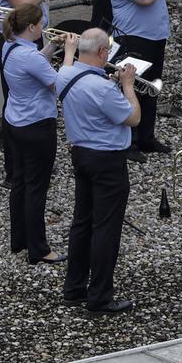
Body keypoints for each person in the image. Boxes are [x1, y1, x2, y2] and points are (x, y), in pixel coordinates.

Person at [57, 28, 139, 314]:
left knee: (82, 222)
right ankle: (100, 296)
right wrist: (127, 85)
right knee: (106, 228)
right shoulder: (102, 88)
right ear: (103, 53)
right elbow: (133, 117)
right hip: (107, 161)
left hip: (81, 155)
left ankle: (74, 288)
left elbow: (69, 67)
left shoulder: (65, 74)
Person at [0, 4, 75, 264]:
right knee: (36, 188)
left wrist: (52, 46)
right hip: (36, 126)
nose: (43, 27)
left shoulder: (11, 46)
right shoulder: (29, 57)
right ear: (31, 28)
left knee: (20, 182)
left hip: (15, 122)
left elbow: (34, 64)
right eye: (41, 24)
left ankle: (19, 240)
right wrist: (69, 53)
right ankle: (39, 249)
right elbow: (61, 83)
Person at [109, 0, 181, 159]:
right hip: (133, 38)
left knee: (151, 88)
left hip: (155, 36)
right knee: (130, 89)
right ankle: (127, 142)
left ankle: (146, 138)